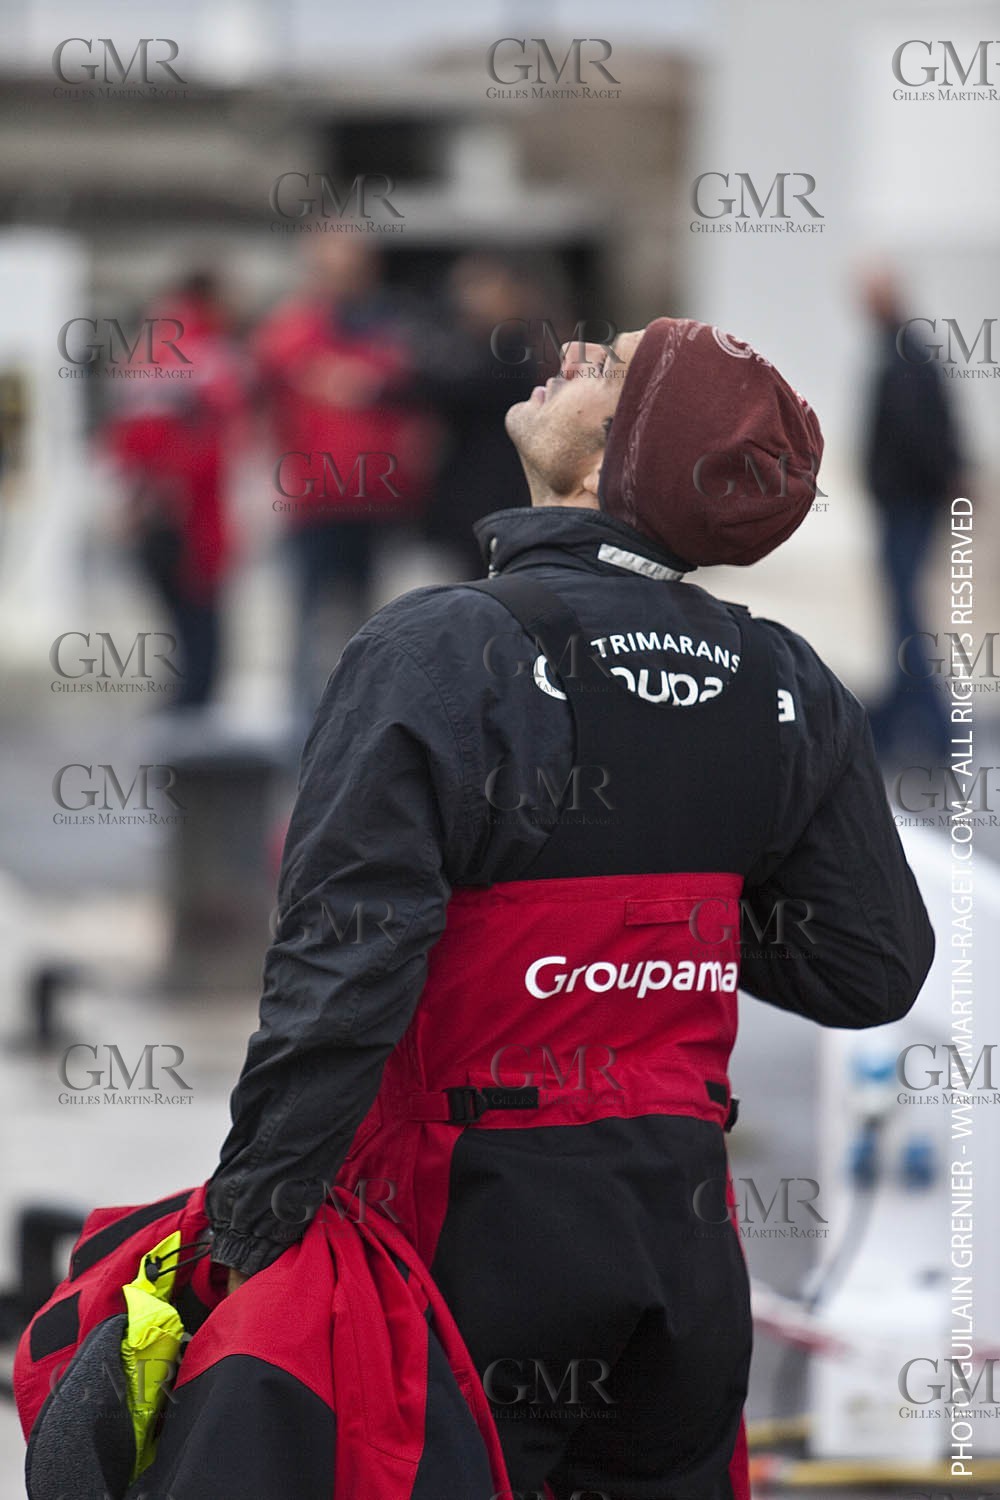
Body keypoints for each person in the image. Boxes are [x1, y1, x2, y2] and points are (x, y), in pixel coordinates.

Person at [206, 318, 934, 1500]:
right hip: (681, 1244)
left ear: (614, 466)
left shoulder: (442, 647)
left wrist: (246, 1228)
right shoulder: (785, 678)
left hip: (464, 1226)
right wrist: (663, 920)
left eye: (615, 364)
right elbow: (873, 964)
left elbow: (341, 971)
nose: (576, 348)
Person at [252, 237, 439, 718]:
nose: (343, 279)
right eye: (332, 268)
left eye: (352, 268)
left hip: (376, 501)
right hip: (315, 502)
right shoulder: (294, 330)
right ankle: (303, 738)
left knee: (369, 627)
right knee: (307, 628)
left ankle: (360, 729)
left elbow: (412, 397)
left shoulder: (388, 332)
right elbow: (266, 378)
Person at [103, 271, 246, 708]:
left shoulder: (144, 354)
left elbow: (124, 440)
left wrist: (134, 500)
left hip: (152, 512)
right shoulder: (208, 352)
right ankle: (193, 733)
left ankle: (181, 719)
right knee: (202, 629)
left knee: (181, 628)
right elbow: (220, 438)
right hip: (193, 516)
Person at [860, 267, 965, 760]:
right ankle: (904, 720)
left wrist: (936, 479)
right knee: (903, 614)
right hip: (905, 503)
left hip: (908, 506)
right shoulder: (901, 350)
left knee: (906, 616)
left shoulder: (905, 355)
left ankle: (928, 726)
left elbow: (920, 432)